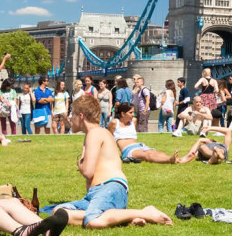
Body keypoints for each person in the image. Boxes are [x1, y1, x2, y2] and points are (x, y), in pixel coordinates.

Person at [48, 95, 173, 228]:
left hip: (109, 188)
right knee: (59, 212)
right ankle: (122, 218)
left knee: (93, 221)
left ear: (81, 116)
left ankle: (145, 212)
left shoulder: (95, 133)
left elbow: (88, 172)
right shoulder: (97, 133)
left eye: (72, 114)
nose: (70, 119)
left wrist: (80, 163)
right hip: (97, 193)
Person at [109, 104, 188, 164]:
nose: (133, 114)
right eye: (131, 112)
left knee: (155, 152)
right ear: (123, 114)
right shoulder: (114, 122)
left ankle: (179, 160)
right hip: (128, 150)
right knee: (147, 155)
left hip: (139, 145)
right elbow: (108, 138)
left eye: (133, 112)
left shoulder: (133, 121)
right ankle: (170, 160)